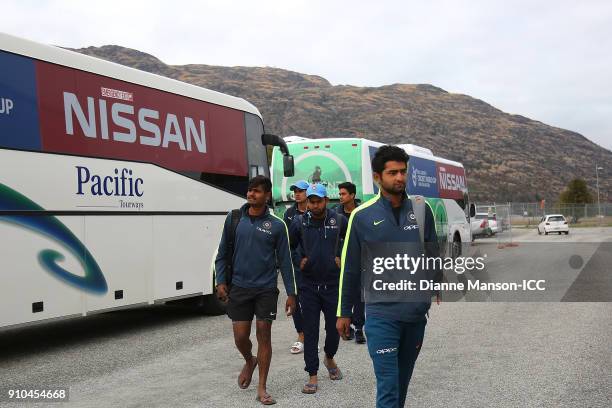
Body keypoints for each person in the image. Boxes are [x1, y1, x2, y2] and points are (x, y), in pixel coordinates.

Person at [336, 146, 441, 408]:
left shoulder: (421, 209)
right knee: (388, 387)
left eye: (403, 172)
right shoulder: (361, 216)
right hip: (381, 316)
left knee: (401, 386)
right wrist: (343, 311)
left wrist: (435, 284)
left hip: (415, 315)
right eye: (392, 172)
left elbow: (431, 252)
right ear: (377, 177)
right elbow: (350, 267)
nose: (399, 178)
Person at [215, 175, 297, 406]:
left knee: (263, 333)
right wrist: (221, 281)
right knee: (241, 338)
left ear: (267, 195)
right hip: (239, 288)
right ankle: (249, 360)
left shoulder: (278, 225)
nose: (251, 194)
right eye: (250, 190)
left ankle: (262, 387)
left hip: (266, 290)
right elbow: (222, 254)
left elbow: (286, 261)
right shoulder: (234, 219)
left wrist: (292, 293)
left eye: (257, 191)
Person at [289, 183, 347, 394]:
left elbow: (350, 244)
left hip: (333, 285)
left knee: (335, 330)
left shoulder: (339, 220)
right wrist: (299, 260)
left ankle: (329, 358)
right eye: (311, 201)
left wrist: (341, 256)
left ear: (326, 201)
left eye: (318, 201)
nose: (314, 205)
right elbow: (290, 247)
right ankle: (312, 374)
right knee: (311, 332)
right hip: (309, 286)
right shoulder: (298, 222)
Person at [332, 181, 365, 344]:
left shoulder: (362, 213)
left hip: (360, 260)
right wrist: (336, 256)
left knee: (360, 294)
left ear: (352, 195)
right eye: (339, 194)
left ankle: (359, 328)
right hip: (340, 262)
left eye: (343, 194)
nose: (340, 197)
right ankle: (347, 325)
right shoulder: (334, 215)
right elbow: (332, 239)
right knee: (344, 293)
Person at [284, 180, 309, 354]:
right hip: (295, 265)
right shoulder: (289, 214)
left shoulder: (316, 210)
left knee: (311, 303)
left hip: (316, 266)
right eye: (295, 191)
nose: (297, 193)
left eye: (301, 191)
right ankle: (301, 335)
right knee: (296, 301)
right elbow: (286, 241)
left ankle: (311, 334)